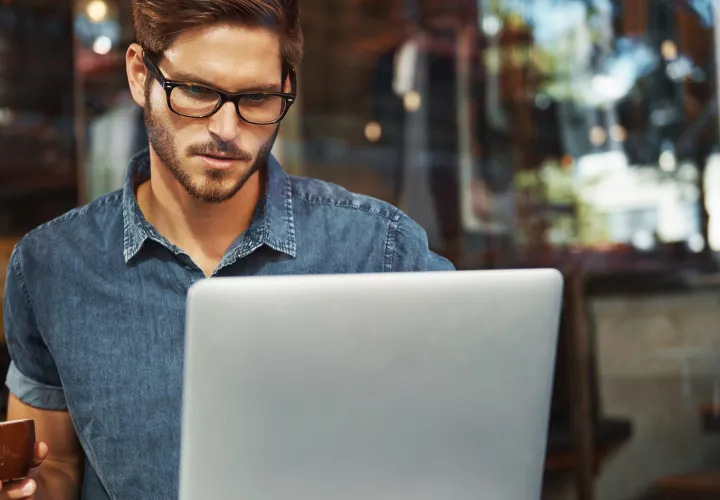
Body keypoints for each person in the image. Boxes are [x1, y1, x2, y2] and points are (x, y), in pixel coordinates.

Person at [1, 1, 453, 498]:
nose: (226, 129)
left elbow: (458, 440)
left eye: (257, 99)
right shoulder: (52, 267)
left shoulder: (378, 250)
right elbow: (59, 465)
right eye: (195, 91)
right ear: (138, 75)